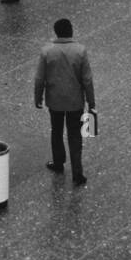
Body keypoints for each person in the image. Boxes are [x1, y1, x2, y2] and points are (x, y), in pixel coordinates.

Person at [33, 18, 95, 186]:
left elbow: (39, 79)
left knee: (56, 131)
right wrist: (91, 102)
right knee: (75, 135)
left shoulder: (47, 52)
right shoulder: (80, 51)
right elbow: (87, 80)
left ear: (56, 32)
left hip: (55, 101)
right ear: (71, 31)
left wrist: (38, 97)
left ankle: (58, 162)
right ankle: (77, 172)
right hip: (75, 102)